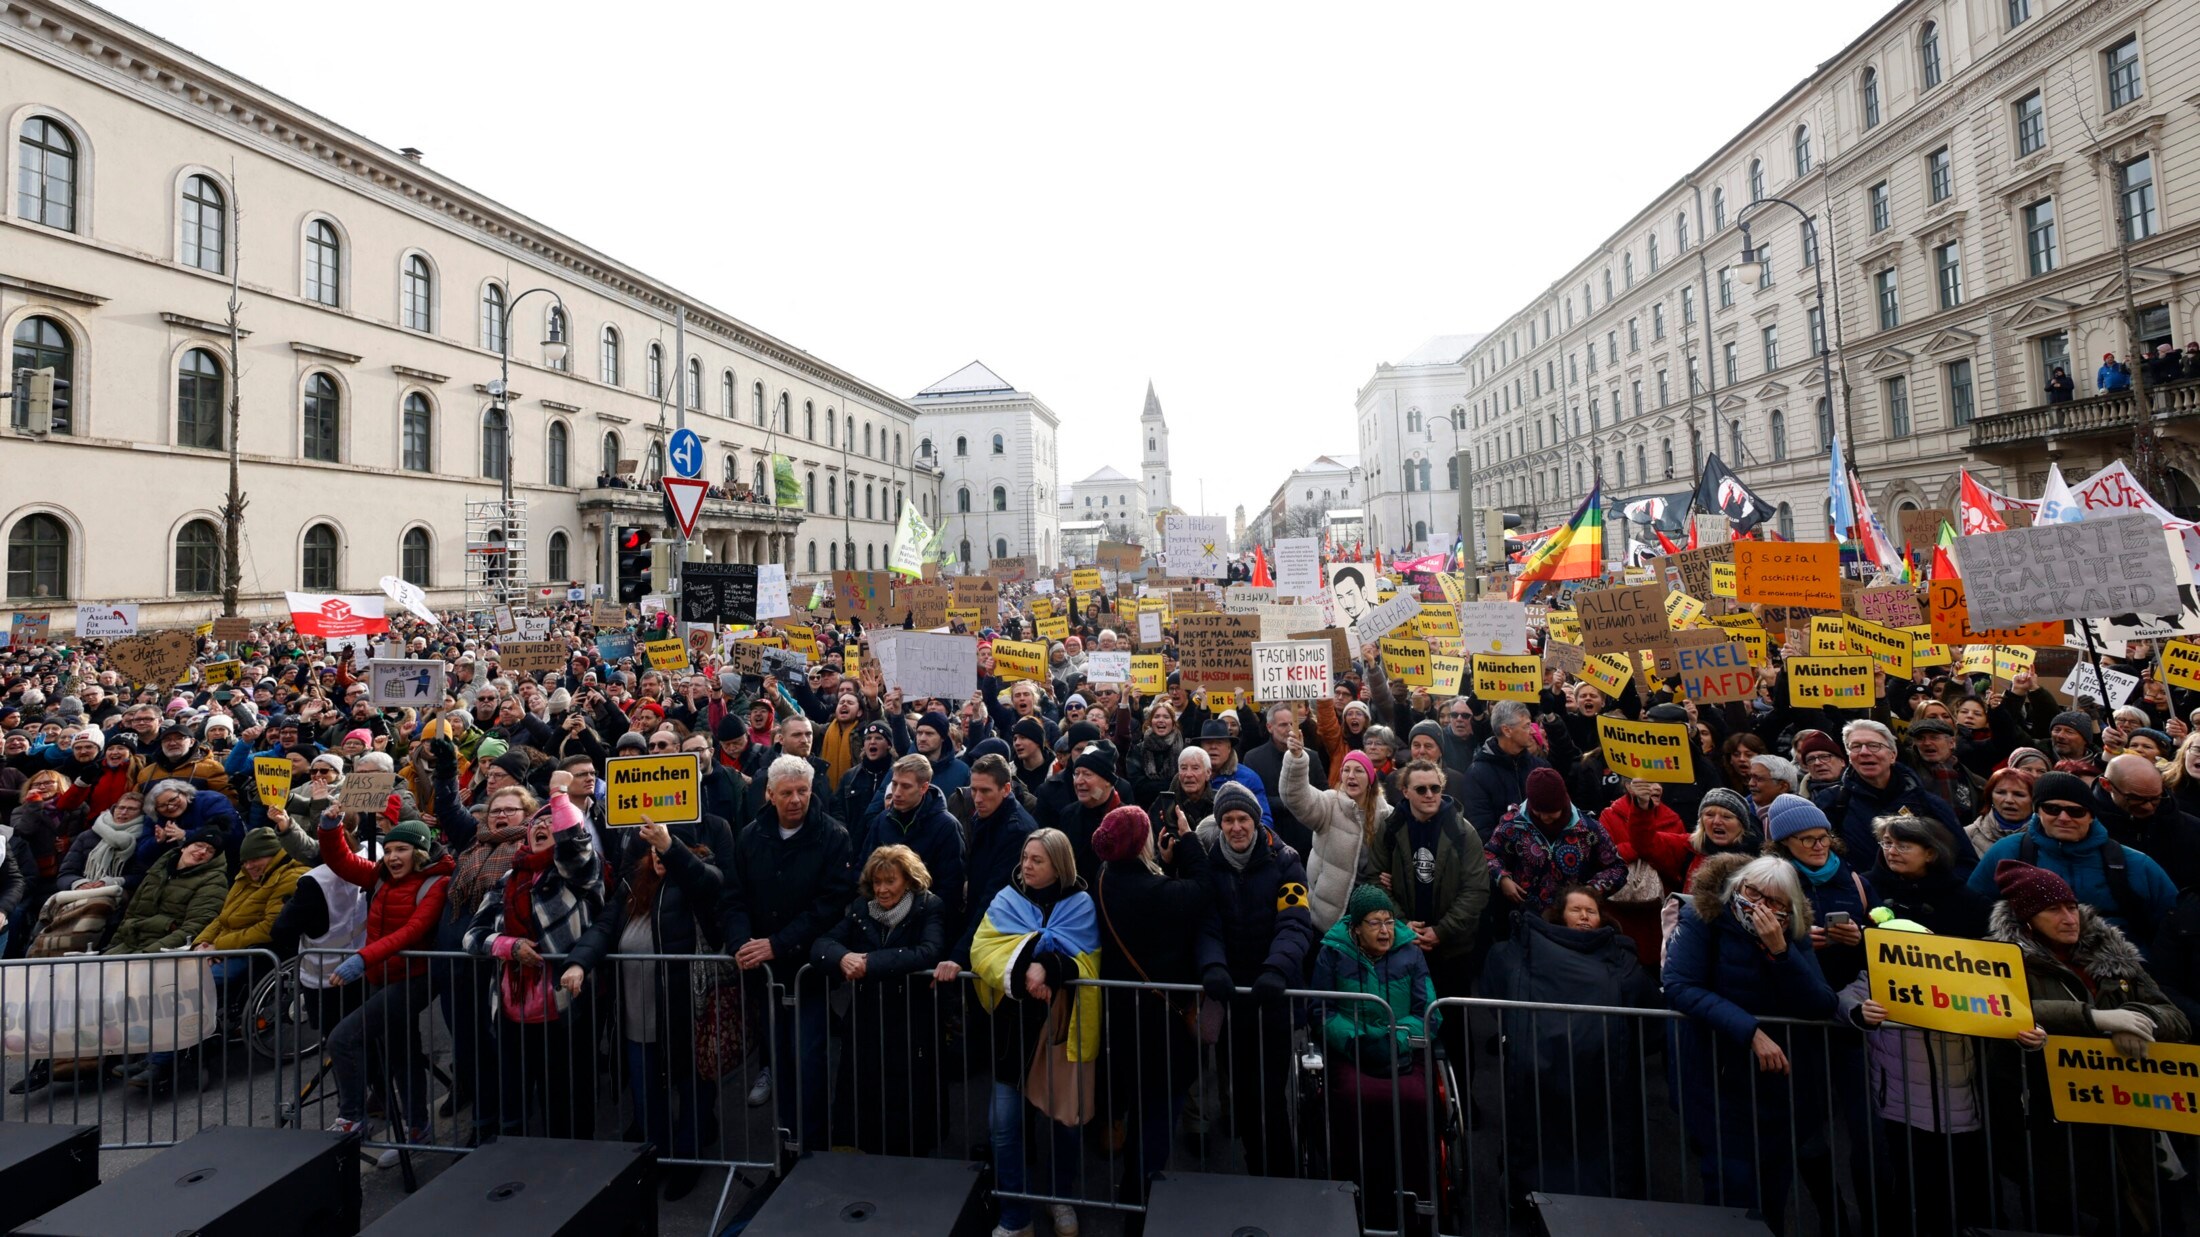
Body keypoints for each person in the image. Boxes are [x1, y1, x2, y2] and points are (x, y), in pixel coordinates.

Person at [1986, 860, 2188, 1233]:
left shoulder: (2113, 953)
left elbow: (2174, 1017)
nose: (2068, 918)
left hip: (2129, 1114)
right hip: (2051, 1121)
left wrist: (2140, 1018)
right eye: (2053, 910)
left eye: (2070, 906)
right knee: (2062, 1210)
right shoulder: (1998, 961)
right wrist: (2094, 1019)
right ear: (2026, 918)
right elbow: (2002, 1012)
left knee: (2143, 1210)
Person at [1835, 817, 2003, 1237]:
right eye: (1887, 843)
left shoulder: (1969, 903)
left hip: (1957, 1054)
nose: (1892, 850)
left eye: (1903, 844)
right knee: (1906, 1162)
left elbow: (1994, 977)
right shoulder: (1867, 891)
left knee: (1962, 1165)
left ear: (1931, 852)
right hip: (1898, 1057)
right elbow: (1857, 983)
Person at [1662, 854, 1839, 1230]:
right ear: (1736, 888)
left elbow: (1821, 1003)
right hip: (1720, 1076)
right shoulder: (1703, 918)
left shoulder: (1793, 930)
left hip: (1780, 1088)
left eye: (1773, 902)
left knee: (1773, 1189)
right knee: (1732, 1191)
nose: (1759, 906)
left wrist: (1781, 952)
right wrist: (1750, 1032)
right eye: (1752, 893)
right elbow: (1679, 986)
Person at [1481, 886, 1658, 1200]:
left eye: (1591, 910)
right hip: (1547, 1067)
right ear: (1560, 914)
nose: (1585, 916)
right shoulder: (1528, 948)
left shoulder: (1621, 956)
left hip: (1600, 1069)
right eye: (1576, 909)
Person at [968, 828, 1099, 1237]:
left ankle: (1062, 1199)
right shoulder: (1007, 899)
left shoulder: (1080, 904)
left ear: (1058, 865)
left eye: (1037, 860)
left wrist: (1054, 967)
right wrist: (1031, 965)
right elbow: (983, 950)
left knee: (1064, 1122)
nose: (1026, 866)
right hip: (1014, 1033)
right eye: (1025, 857)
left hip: (1059, 1031)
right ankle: (1013, 1216)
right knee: (1003, 1127)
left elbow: (1090, 959)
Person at [719, 753, 854, 1149]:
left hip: (806, 969)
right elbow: (734, 897)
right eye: (787, 793)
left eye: (803, 791)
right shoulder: (749, 836)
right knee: (779, 1059)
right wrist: (741, 942)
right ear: (770, 795)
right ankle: (786, 1143)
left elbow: (830, 905)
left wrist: (777, 944)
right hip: (764, 974)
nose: (796, 800)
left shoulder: (834, 836)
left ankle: (811, 1145)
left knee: (809, 1062)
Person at [464, 770, 602, 1142]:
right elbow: (473, 936)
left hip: (564, 1006)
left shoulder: (574, 874)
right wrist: (508, 946)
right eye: (536, 824)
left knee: (566, 1098)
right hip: (513, 1007)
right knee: (522, 1093)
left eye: (550, 822)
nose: (543, 827)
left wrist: (559, 797)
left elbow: (575, 843)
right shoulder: (509, 878)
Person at [1087, 804, 1208, 1209]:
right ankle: (1144, 1197)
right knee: (1157, 1112)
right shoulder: (1152, 890)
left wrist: (1167, 866)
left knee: (1136, 1098)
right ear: (1141, 845)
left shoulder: (1105, 878)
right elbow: (1200, 890)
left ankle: (1132, 1187)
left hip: (1121, 1015)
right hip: (1160, 1024)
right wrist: (1189, 840)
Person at [1195, 780, 1316, 1178]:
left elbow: (1295, 923)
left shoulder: (1286, 861)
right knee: (1243, 1096)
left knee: (1271, 1096)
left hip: (1271, 994)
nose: (1236, 827)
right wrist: (1212, 964)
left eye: (1242, 818)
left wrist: (1276, 967)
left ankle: (1282, 1171)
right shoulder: (1211, 865)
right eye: (1227, 819)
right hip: (1232, 995)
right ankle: (1254, 1167)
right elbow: (1207, 924)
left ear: (1256, 820)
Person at [316, 805, 454, 1147]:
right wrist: (329, 828)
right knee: (401, 1053)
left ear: (419, 853)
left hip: (413, 979)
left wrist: (362, 959)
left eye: (402, 850)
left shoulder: (437, 884)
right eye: (389, 850)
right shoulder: (379, 876)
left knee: (343, 1038)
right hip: (381, 975)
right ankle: (418, 1127)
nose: (392, 857)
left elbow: (413, 930)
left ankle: (351, 1118)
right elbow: (342, 862)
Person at [1308, 885, 1440, 1235]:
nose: (1384, 931)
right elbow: (1321, 1010)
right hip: (1352, 1049)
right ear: (1355, 927)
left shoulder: (1411, 953)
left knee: (1415, 1099)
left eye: (1389, 922)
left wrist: (1394, 1039)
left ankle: (1414, 1195)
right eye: (1375, 923)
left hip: (1400, 1049)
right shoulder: (1332, 954)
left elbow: (1428, 1012)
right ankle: (1352, 1193)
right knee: (1350, 1096)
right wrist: (1356, 1040)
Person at [812, 843, 946, 1157]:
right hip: (867, 1017)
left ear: (909, 881)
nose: (882, 890)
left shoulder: (929, 907)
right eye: (877, 882)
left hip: (911, 1019)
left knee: (907, 1093)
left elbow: (929, 951)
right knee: (864, 1090)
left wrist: (870, 963)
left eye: (890, 882)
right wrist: (842, 957)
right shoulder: (861, 909)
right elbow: (822, 943)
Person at [1966, 770, 2177, 951]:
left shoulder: (2134, 863)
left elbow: (2174, 927)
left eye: (2076, 811)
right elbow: (1972, 912)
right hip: (2032, 968)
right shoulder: (2008, 851)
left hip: (2118, 973)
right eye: (2052, 809)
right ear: (2037, 811)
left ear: (2091, 816)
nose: (2064, 818)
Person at [1369, 758, 1490, 1061]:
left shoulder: (1464, 832)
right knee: (1407, 1031)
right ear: (1404, 792)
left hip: (1452, 951)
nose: (1429, 794)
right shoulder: (1390, 828)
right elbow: (1373, 879)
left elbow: (1476, 891)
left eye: (1435, 788)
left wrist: (1441, 931)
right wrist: (1401, 925)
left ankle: (1462, 1102)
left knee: (1457, 1035)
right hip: (1402, 949)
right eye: (1420, 789)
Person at [1814, 721, 1967, 874]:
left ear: (1892, 755)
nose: (1864, 752)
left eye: (1874, 746)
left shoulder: (1928, 802)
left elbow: (1964, 860)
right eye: (1855, 746)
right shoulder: (1831, 801)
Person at [1277, 728, 1388, 932]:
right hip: (1325, 917)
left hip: (1368, 915)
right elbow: (1295, 797)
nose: (1351, 776)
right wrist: (1296, 758)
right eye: (1346, 770)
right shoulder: (1329, 803)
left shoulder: (1386, 815)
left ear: (1371, 779)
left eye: (1358, 770)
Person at [1484, 767, 1624, 921]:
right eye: (1538, 812)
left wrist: (1591, 890)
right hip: (1528, 917)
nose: (1544, 818)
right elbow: (1490, 854)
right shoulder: (1514, 824)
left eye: (1551, 813)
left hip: (1572, 921)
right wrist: (1502, 878)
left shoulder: (1588, 828)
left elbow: (1617, 868)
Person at [1763, 795, 1870, 990]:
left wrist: (1861, 936)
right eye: (1808, 839)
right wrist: (1794, 942)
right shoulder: (1765, 884)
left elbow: (1887, 935)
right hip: (1796, 992)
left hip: (1852, 993)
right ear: (1784, 841)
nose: (1819, 846)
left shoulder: (1855, 881)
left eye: (1823, 837)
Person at [858, 753, 968, 934]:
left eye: (906, 786)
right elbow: (864, 868)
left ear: (924, 787)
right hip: (879, 919)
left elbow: (950, 888)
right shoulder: (882, 820)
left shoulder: (946, 827)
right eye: (894, 784)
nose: (897, 792)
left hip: (922, 925)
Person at [1460, 701, 1549, 837]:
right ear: (1507, 730)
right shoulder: (1477, 774)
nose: (1532, 731)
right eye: (1526, 726)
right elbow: (1481, 829)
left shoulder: (1541, 768)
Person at [1964, 766, 2034, 860]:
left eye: (2019, 794)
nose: (2009, 800)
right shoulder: (1967, 835)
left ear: (2033, 800)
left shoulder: (2047, 836)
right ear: (1990, 797)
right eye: (2001, 792)